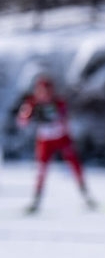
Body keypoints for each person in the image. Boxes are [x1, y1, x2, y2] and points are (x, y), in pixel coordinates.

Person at [15, 75, 97, 214]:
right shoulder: (32, 103)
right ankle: (36, 200)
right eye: (41, 91)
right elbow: (22, 121)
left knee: (75, 165)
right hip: (45, 141)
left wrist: (53, 118)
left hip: (61, 138)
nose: (44, 94)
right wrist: (28, 113)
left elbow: (64, 119)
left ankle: (86, 196)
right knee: (41, 170)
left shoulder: (58, 103)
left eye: (47, 90)